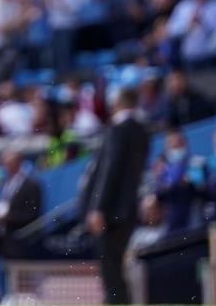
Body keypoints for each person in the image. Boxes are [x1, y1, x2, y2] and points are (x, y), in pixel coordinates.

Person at [79, 87, 150, 305]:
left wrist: (97, 207)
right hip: (126, 208)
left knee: (110, 268)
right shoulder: (141, 131)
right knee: (115, 266)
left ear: (117, 103)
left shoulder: (119, 130)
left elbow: (110, 170)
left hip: (111, 211)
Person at [0, 148, 43, 259]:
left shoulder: (31, 185)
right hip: (4, 241)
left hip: (21, 242)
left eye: (6, 162)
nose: (3, 165)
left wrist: (8, 217)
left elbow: (32, 214)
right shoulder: (5, 183)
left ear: (18, 162)